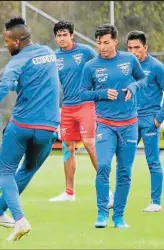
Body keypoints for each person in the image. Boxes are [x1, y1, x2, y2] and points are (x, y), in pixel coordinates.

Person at [0, 17, 60, 241]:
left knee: (4, 171)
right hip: (48, 128)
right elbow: (38, 80)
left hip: (22, 125)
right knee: (27, 169)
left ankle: (20, 220)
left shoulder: (16, 62)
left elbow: (4, 87)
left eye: (7, 41)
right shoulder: (49, 54)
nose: (5, 45)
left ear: (18, 41)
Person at [79, 24, 147, 228]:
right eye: (99, 43)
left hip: (129, 124)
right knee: (104, 167)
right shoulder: (91, 66)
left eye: (106, 42)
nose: (102, 47)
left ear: (116, 42)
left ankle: (119, 216)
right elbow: (82, 93)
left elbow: (142, 79)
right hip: (105, 125)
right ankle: (101, 214)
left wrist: (133, 87)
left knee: (125, 172)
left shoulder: (129, 59)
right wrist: (101, 94)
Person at [48, 20, 104, 202]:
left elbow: (100, 69)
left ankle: (106, 188)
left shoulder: (85, 52)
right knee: (67, 148)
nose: (62, 38)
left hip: (86, 105)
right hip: (68, 108)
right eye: (59, 35)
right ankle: (69, 192)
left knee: (89, 143)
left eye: (65, 34)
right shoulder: (54, 57)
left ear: (72, 35)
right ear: (55, 38)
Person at [127, 30, 163, 212]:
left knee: (153, 161)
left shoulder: (156, 67)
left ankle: (156, 202)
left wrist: (159, 118)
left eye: (137, 48)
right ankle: (118, 200)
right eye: (130, 48)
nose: (133, 51)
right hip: (129, 121)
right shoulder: (125, 66)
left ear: (145, 47)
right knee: (124, 161)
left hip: (149, 120)